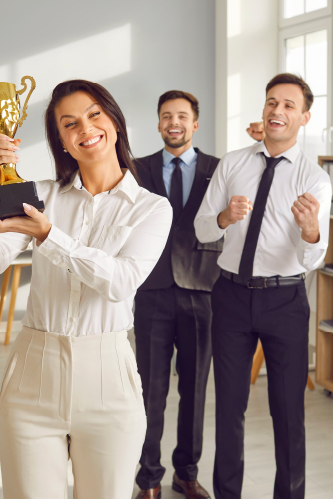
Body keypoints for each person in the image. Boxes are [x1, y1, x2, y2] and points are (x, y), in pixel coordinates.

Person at [0, 79, 173, 499]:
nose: (85, 128)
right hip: (32, 375)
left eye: (94, 114)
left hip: (109, 377)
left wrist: (49, 236)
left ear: (114, 121)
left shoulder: (153, 208)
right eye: (69, 123)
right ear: (60, 141)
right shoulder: (39, 194)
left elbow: (119, 282)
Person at [194, 73, 332, 499]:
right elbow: (201, 229)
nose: (277, 110)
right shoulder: (232, 163)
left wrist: (311, 231)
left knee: (288, 412)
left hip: (285, 301)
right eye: (272, 102)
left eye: (289, 105)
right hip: (231, 295)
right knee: (230, 409)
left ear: (304, 117)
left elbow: (314, 257)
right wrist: (223, 218)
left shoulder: (315, 179)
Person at [133, 91, 221, 499]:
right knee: (150, 390)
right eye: (167, 116)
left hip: (202, 289)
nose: (174, 122)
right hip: (151, 290)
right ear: (158, 123)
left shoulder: (218, 170)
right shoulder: (136, 169)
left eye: (182, 116)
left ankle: (187, 472)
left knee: (195, 388)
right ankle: (148, 477)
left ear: (195, 124)